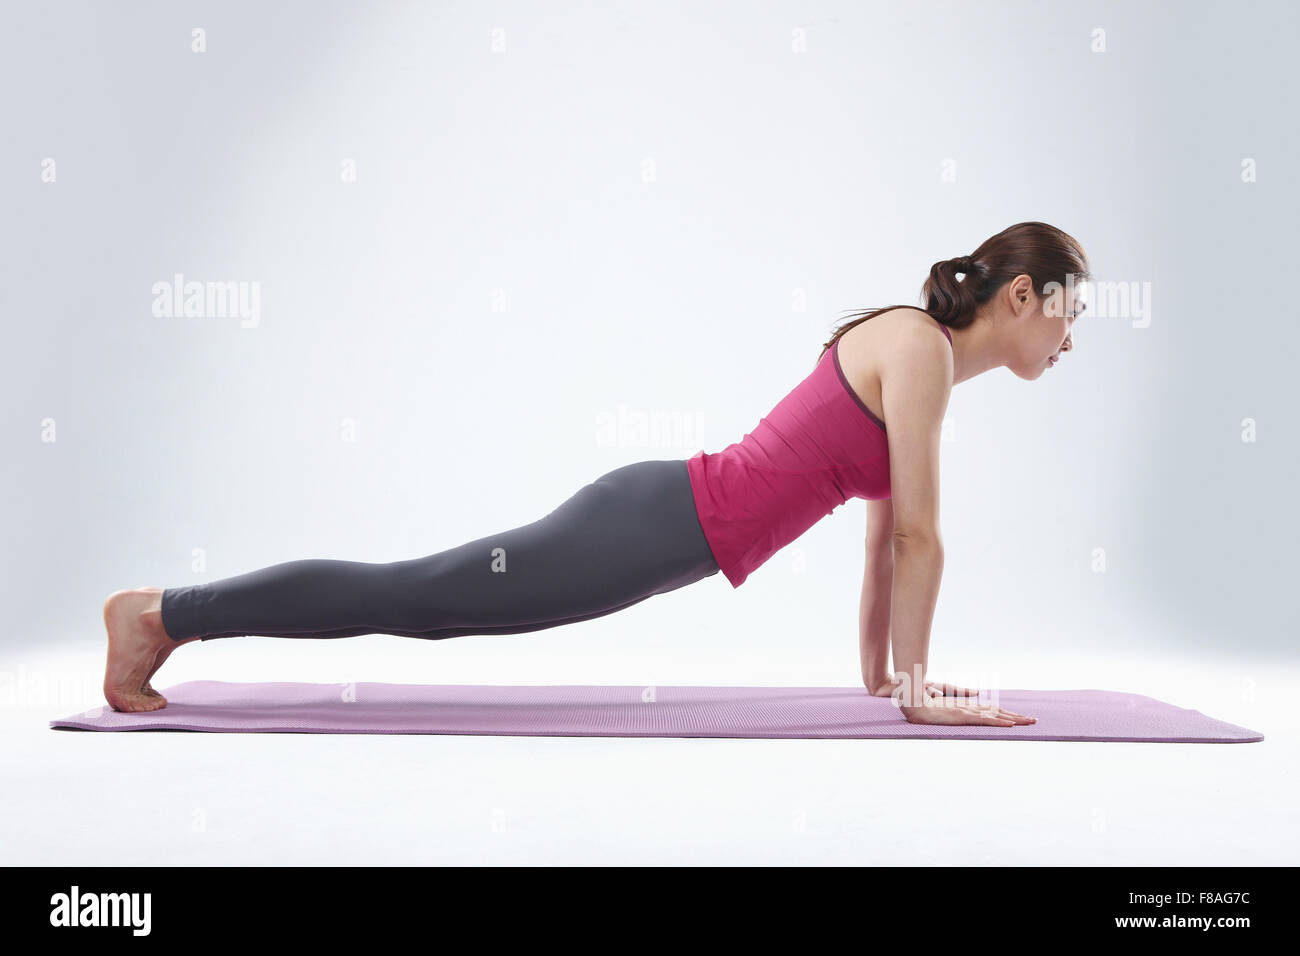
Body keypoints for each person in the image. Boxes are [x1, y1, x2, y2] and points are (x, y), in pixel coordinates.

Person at [102, 220, 1090, 728]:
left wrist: (885, 677)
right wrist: (918, 692)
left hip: (659, 526)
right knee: (422, 595)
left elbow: (886, 535)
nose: (1069, 339)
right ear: (1016, 295)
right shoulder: (917, 350)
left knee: (431, 598)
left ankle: (166, 613)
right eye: (1064, 313)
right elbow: (919, 533)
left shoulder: (923, 364)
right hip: (652, 521)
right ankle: (160, 612)